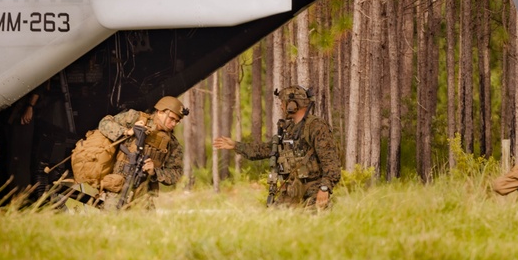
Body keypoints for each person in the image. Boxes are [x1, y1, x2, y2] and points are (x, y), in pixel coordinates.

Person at [213, 86, 341, 208]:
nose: (281, 106)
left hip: (313, 189)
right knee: (274, 221)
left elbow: (331, 162)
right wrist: (236, 145)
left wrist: (324, 188)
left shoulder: (316, 126)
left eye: (283, 103)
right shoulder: (288, 130)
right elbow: (265, 150)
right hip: (291, 190)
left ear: (293, 105)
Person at [94, 96, 187, 207]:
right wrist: (127, 131)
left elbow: (176, 173)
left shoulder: (172, 144)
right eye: (172, 118)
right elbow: (104, 123)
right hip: (118, 186)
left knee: (147, 223)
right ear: (160, 112)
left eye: (177, 121)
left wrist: (154, 172)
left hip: (144, 193)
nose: (173, 124)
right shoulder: (135, 118)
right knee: (112, 219)